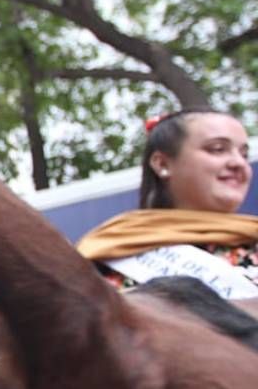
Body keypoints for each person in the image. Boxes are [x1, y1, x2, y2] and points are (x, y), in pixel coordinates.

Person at [77, 109, 256, 295]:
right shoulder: (114, 252)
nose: (238, 163)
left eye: (244, 155)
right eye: (217, 149)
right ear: (162, 164)